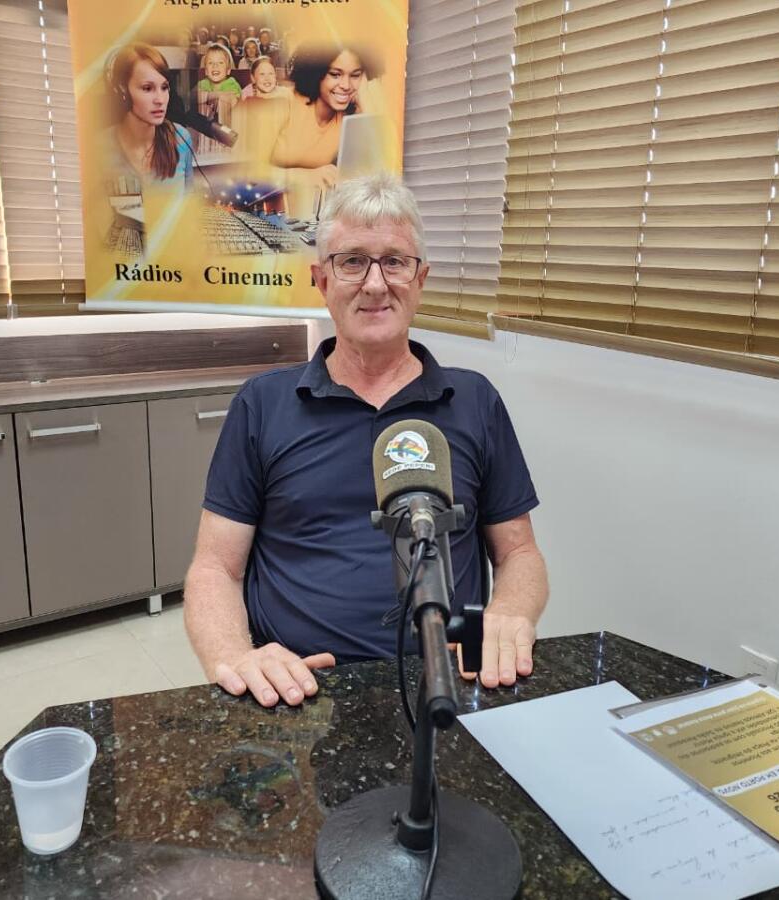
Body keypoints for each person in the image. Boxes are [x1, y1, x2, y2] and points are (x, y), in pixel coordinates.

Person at [184, 173, 548, 709]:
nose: (375, 284)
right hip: (301, 689)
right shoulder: (262, 404)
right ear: (321, 280)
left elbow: (519, 552)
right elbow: (216, 567)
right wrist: (237, 655)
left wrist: (510, 613)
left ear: (420, 279)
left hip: (450, 679)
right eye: (352, 261)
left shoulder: (475, 401)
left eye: (394, 261)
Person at [270, 43, 379, 191]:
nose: (346, 85)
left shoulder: (349, 118)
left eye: (355, 75)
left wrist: (364, 97)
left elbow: (378, 164)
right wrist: (306, 176)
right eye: (335, 74)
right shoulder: (284, 102)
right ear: (316, 73)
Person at [101, 42, 193, 186]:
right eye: (147, 88)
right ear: (122, 89)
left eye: (164, 87)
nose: (160, 100)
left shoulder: (181, 138)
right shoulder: (99, 148)